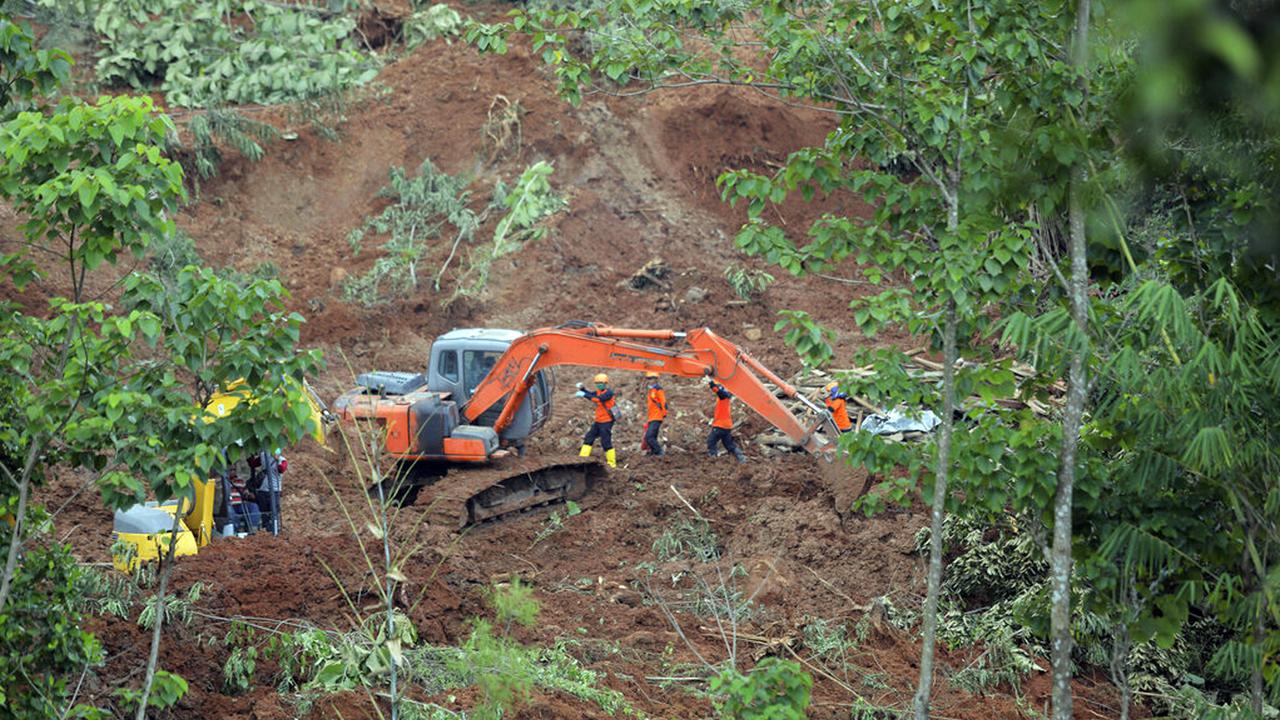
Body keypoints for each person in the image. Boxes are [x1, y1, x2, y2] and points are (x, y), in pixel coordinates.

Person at [577, 373, 617, 468]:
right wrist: (583, 389)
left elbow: (597, 399)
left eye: (601, 383)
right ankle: (582, 459)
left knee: (606, 442)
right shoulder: (599, 391)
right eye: (597, 383)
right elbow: (591, 394)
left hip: (606, 421)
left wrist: (584, 395)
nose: (599, 385)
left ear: (605, 383)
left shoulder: (608, 393)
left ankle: (612, 464)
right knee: (589, 438)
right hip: (598, 421)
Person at [706, 379, 746, 463]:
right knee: (728, 444)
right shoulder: (726, 399)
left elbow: (718, 391)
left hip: (720, 425)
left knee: (711, 441)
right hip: (727, 426)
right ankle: (741, 457)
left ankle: (713, 458)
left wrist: (712, 384)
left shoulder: (723, 398)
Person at [251, 449, 286, 535]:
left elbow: (282, 469)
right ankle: (265, 530)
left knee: (274, 512)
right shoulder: (263, 455)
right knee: (264, 513)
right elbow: (254, 464)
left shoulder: (282, 460)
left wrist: (277, 460)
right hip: (263, 490)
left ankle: (275, 530)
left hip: (275, 490)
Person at [641, 371, 667, 456]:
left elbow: (663, 402)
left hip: (657, 417)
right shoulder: (651, 390)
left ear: (656, 379)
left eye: (651, 378)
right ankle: (653, 452)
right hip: (652, 417)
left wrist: (664, 414)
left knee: (649, 437)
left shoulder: (658, 389)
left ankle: (659, 452)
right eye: (648, 378)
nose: (649, 380)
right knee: (653, 436)